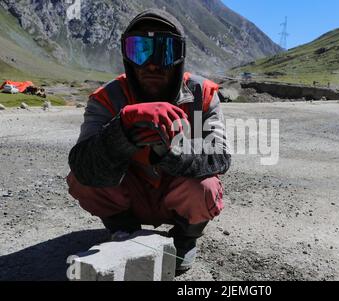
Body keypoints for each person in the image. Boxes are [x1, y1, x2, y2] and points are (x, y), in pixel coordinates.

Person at [66, 9, 231, 272]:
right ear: (126, 56)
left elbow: (220, 157)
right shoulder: (107, 99)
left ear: (180, 57)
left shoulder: (202, 95)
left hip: (176, 197)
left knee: (206, 187)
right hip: (131, 194)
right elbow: (82, 164)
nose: (152, 64)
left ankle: (185, 239)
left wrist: (169, 152)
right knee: (81, 178)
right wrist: (122, 128)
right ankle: (123, 228)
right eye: (139, 50)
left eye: (165, 51)